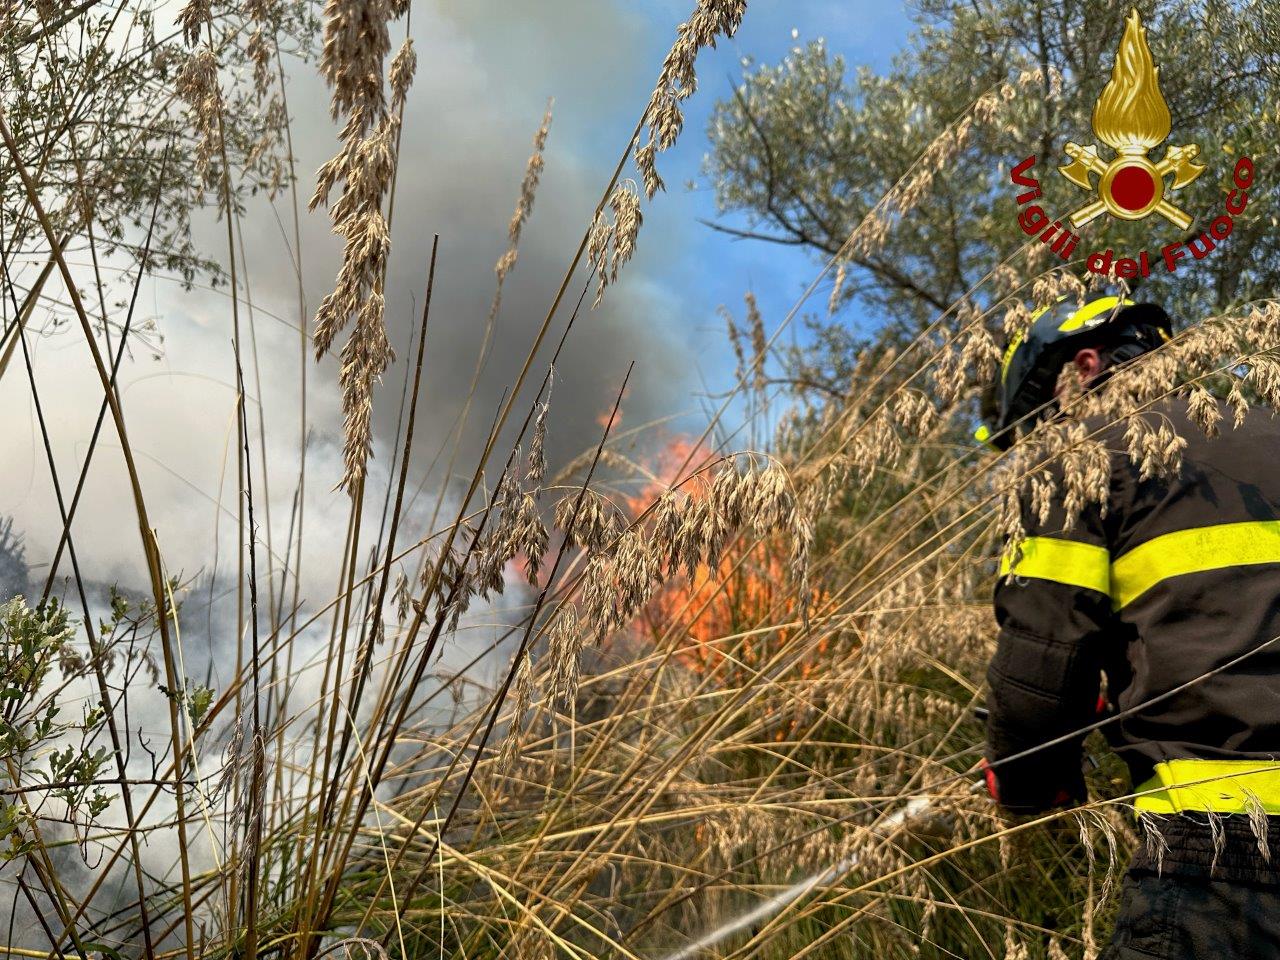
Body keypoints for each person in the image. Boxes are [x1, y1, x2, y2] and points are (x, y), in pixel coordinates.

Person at [981, 293, 1280, 959]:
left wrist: (1026, 781)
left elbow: (1040, 671)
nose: (1047, 439)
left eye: (1042, 421)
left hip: (1224, 854)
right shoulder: (1271, 425)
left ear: (1085, 366)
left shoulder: (1085, 456)